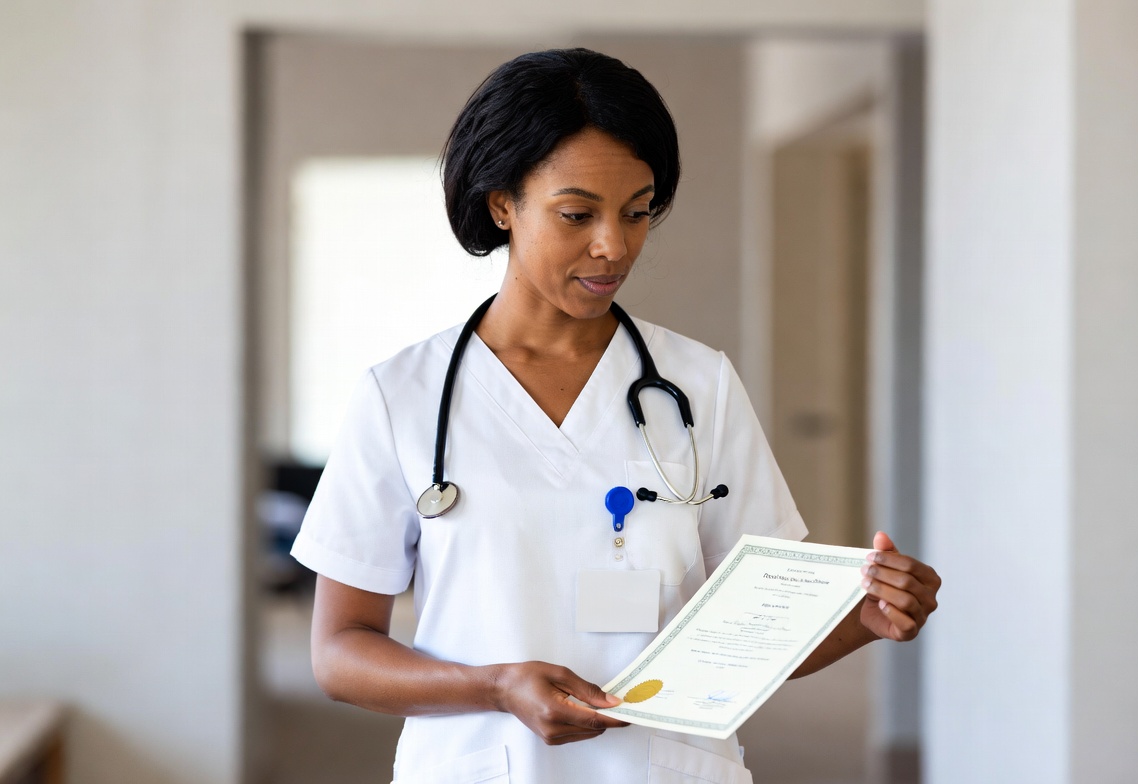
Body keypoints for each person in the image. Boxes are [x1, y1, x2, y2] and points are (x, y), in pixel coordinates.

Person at [291, 48, 941, 784]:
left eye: (638, 212)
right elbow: (340, 651)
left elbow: (755, 636)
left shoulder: (698, 385)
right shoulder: (401, 395)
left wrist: (867, 617)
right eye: (578, 214)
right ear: (502, 203)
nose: (615, 245)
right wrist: (494, 687)